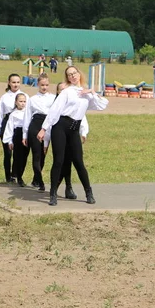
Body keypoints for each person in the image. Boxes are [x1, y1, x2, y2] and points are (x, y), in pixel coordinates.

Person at [37, 66, 108, 206]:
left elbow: (102, 105)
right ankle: (53, 194)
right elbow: (55, 110)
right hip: (61, 127)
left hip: (74, 129)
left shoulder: (86, 93)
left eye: (74, 73)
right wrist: (44, 128)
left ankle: (89, 193)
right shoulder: (67, 92)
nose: (73, 76)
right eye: (69, 75)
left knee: (78, 161)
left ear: (79, 74)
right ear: (67, 78)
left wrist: (92, 92)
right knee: (59, 160)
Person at [42, 82, 89, 200]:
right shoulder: (56, 104)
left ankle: (69, 187)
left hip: (73, 132)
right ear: (58, 92)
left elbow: (81, 116)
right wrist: (46, 142)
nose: (64, 91)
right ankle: (54, 191)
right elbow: (50, 120)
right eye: (61, 89)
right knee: (60, 161)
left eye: (65, 89)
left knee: (71, 162)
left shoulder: (73, 101)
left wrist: (83, 132)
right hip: (59, 132)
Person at [22, 73, 56, 191]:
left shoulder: (53, 98)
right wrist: (24, 134)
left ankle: (36, 179)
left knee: (43, 154)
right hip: (35, 125)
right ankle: (40, 181)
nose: (44, 87)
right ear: (38, 84)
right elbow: (27, 117)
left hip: (48, 126)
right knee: (36, 155)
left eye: (46, 85)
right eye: (42, 85)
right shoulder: (32, 99)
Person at [0, 74, 28, 183]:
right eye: (13, 82)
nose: (16, 84)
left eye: (18, 82)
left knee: (18, 152)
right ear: (9, 83)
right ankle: (8, 176)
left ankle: (15, 174)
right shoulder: (4, 97)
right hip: (7, 122)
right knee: (8, 152)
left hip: (20, 125)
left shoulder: (25, 96)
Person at [2, 94, 30, 187]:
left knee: (25, 156)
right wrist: (9, 141)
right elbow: (10, 127)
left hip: (26, 133)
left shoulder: (28, 112)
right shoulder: (13, 114)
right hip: (17, 134)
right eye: (20, 101)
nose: (22, 103)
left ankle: (20, 174)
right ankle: (19, 177)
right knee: (17, 156)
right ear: (16, 102)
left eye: (24, 101)